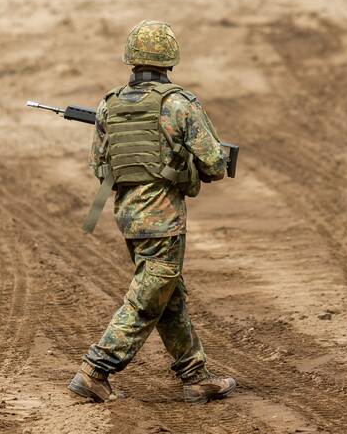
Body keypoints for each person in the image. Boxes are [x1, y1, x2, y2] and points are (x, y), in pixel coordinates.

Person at [67, 20, 237, 404]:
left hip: (128, 217)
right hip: (164, 219)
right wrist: (184, 171)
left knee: (167, 296)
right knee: (146, 300)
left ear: (131, 58)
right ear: (169, 61)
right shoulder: (179, 104)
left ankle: (195, 376)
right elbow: (214, 163)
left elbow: (99, 166)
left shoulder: (108, 104)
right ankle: (96, 369)